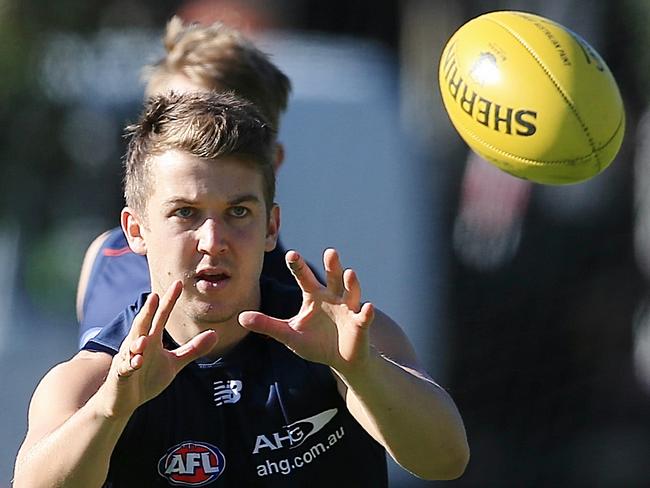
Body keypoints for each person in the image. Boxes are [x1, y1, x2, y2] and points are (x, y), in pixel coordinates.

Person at [14, 92, 469, 487]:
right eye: (185, 214)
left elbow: (445, 461)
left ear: (271, 226)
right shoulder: (98, 377)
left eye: (238, 212)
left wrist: (361, 370)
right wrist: (111, 411)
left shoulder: (339, 340)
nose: (213, 241)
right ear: (136, 231)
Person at [76, 16, 296, 347]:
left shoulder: (302, 305)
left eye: (224, 129)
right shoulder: (106, 255)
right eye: (164, 122)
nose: (190, 140)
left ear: (271, 160)